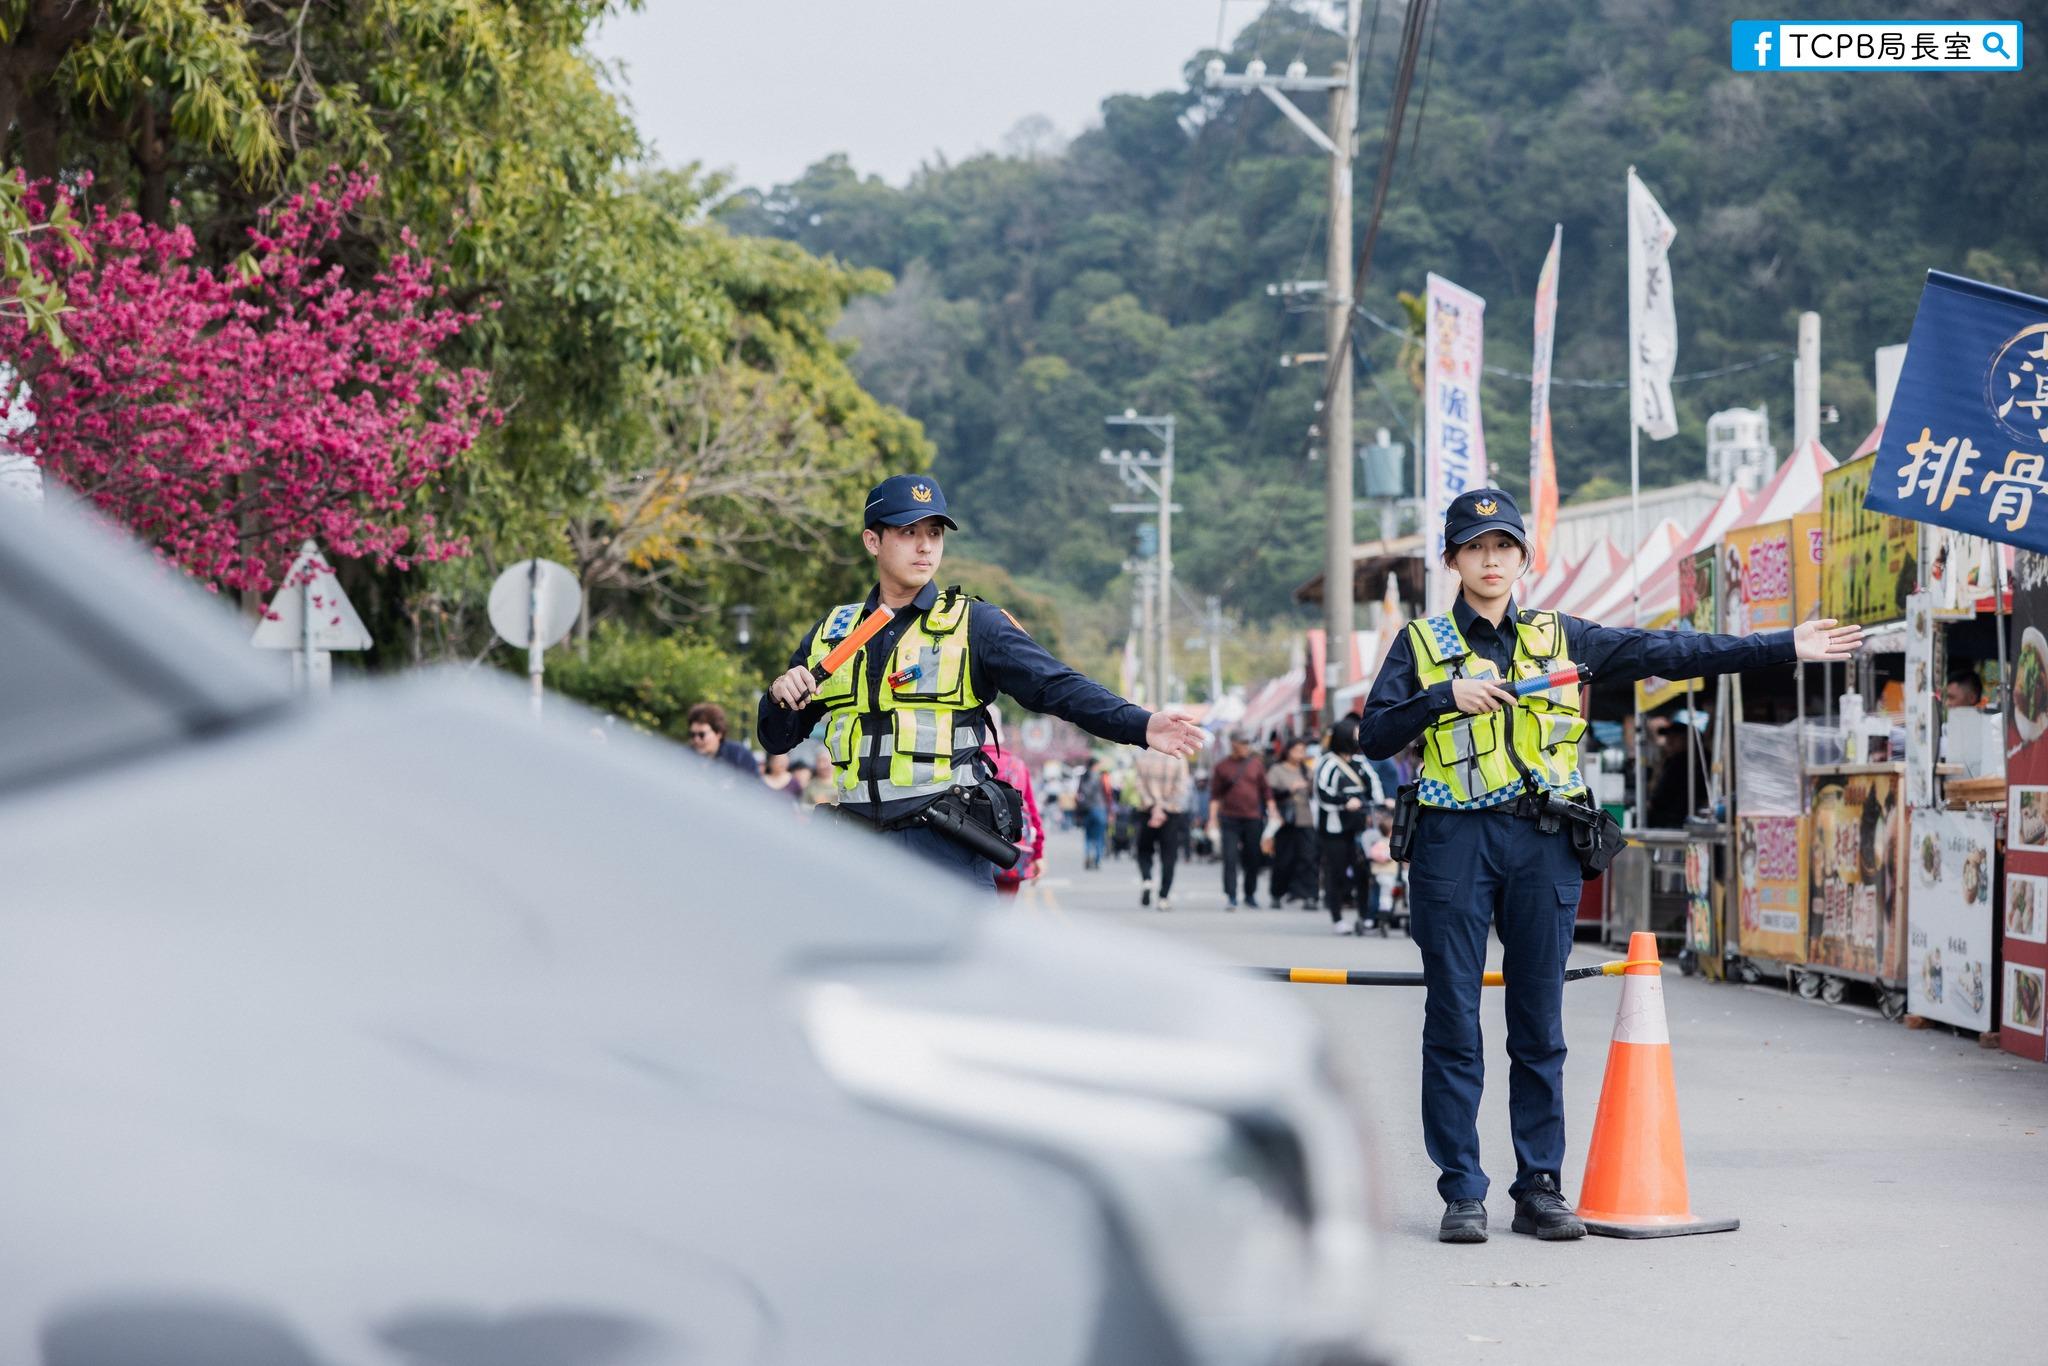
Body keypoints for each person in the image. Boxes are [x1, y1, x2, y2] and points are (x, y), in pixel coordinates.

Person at [1359, 487, 1862, 1244]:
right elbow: (1368, 735)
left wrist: (1782, 644)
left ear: (1524, 558)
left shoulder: (1567, 637)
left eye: (1504, 546)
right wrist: (1440, 698)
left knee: (1539, 1025)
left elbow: (1671, 650)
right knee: (1453, 1021)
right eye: (1475, 548)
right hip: (1453, 845)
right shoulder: (1422, 644)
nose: (1491, 560)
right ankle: (1463, 1191)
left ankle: (1539, 1189)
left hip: (1544, 843)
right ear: (1453, 560)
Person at [759, 474, 1205, 890]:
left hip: (941, 844)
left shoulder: (976, 624)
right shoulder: (832, 632)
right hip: (852, 850)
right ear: (872, 541)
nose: (925, 547)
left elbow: (1058, 686)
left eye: (934, 533)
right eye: (908, 532)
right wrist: (779, 699)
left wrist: (1141, 726)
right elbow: (777, 739)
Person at [1313, 716, 1381, 934]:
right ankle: (1337, 917)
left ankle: (1364, 916)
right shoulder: (1327, 763)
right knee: (1336, 872)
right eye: (1354, 735)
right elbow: (1322, 793)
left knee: (1363, 872)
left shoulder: (1361, 763)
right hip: (1335, 829)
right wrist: (1345, 802)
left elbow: (1375, 787)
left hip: (1360, 827)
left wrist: (1381, 802)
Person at [1207, 730, 1272, 909]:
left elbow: (1266, 791)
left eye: (1247, 743)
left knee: (1252, 857)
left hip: (1253, 818)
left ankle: (1250, 894)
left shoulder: (1256, 764)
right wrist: (1212, 819)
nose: (1245, 747)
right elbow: (1215, 795)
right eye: (1242, 743)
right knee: (1229, 857)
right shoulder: (1222, 766)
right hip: (1229, 819)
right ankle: (1231, 895)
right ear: (1233, 744)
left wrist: (1273, 812)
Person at [982, 714, 1045, 897]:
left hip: (969, 852)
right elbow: (1031, 813)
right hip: (1009, 854)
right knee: (1001, 915)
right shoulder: (1016, 765)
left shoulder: (961, 762)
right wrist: (1038, 854)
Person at [1131, 741, 1192, 910]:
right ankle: (1163, 897)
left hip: (1147, 811)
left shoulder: (1143, 756)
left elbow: (1139, 785)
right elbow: (1181, 788)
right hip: (1170, 814)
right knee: (1169, 857)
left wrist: (1154, 806)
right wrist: (1163, 807)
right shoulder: (1179, 758)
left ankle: (1147, 880)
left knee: (1144, 851)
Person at [1266, 736, 1319, 907]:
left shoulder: (1307, 771)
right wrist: (1290, 790)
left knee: (1308, 858)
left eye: (1302, 751)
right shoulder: (1277, 770)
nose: (1299, 754)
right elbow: (1269, 794)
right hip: (1286, 821)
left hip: (1306, 819)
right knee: (1284, 859)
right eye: (1296, 750)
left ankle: (1309, 895)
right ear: (1287, 751)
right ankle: (1277, 893)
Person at [1644, 716, 1708, 829]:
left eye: (1676, 736)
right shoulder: (1672, 759)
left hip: (1673, 820)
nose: (1669, 740)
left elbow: (1662, 793)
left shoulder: (1681, 761)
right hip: (1677, 818)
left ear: (1688, 739)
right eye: (1668, 736)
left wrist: (1651, 804)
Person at [687, 703, 759, 779]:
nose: (696, 739)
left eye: (702, 735)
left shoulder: (739, 755)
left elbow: (754, 786)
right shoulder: (687, 757)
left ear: (718, 733)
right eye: (692, 734)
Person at [1075, 756, 1110, 869]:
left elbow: (1078, 795)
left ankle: (1088, 854)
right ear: (1095, 765)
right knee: (1099, 837)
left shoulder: (1083, 777)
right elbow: (1108, 794)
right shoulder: (1101, 777)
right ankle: (1097, 859)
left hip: (1087, 810)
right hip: (1099, 808)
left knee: (1088, 836)